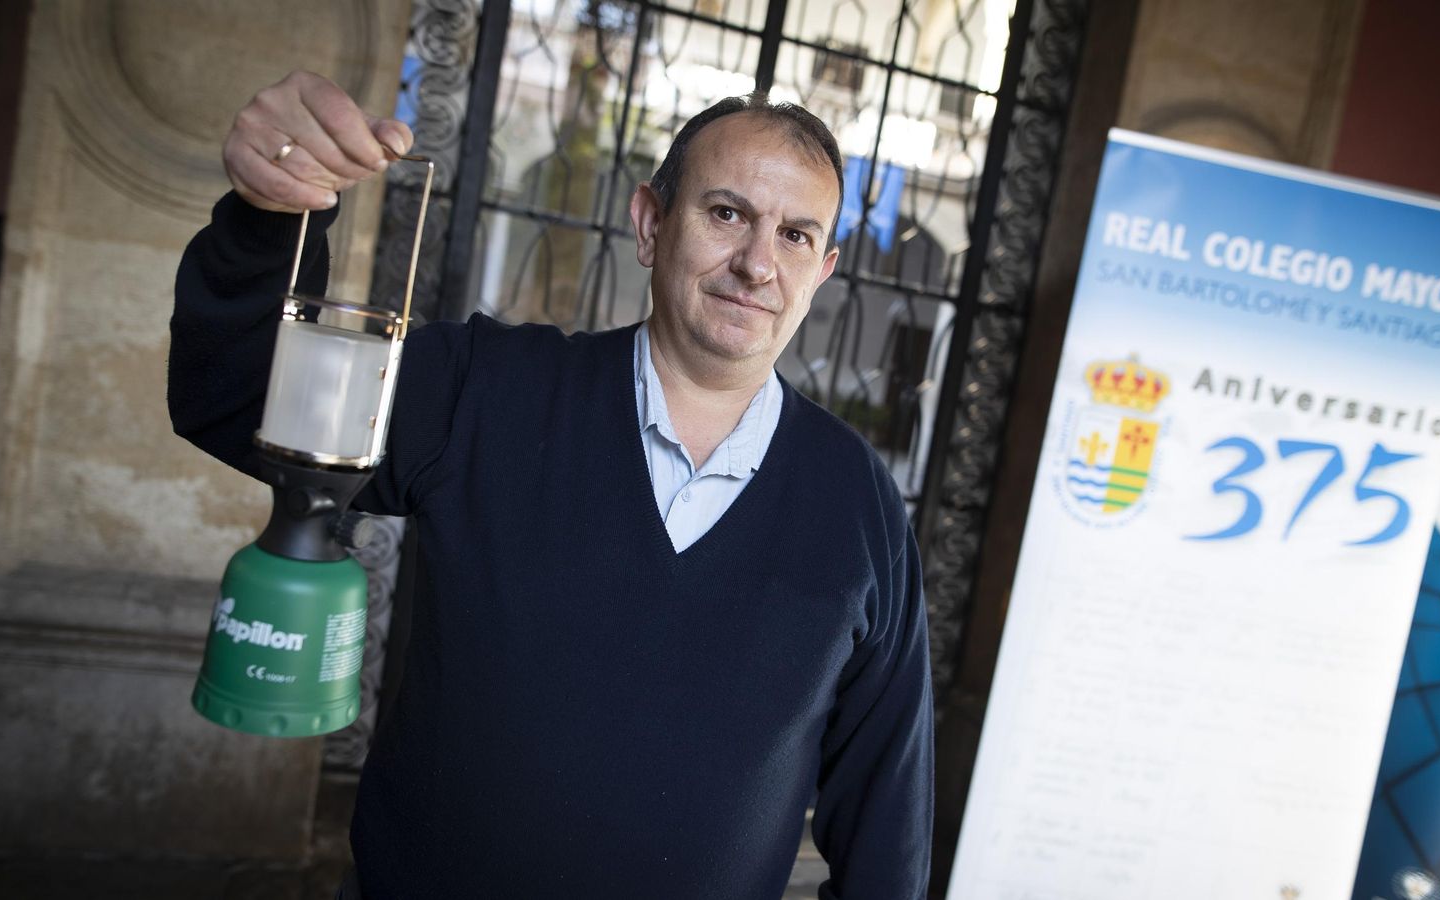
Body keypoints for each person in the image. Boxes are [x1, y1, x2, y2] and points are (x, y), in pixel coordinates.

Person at [169, 70, 933, 898]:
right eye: (726, 214)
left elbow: (887, 811)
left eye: (793, 236)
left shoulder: (858, 503)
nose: (756, 263)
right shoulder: (485, 390)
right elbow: (236, 393)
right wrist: (270, 213)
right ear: (649, 224)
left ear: (821, 273)